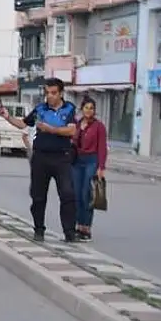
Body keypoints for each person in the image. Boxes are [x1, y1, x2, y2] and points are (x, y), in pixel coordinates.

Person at [0, 78, 77, 242]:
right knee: (38, 195)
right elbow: (22, 124)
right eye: (47, 93)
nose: (50, 96)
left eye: (53, 93)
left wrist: (51, 129)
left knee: (67, 194)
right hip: (41, 156)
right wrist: (7, 117)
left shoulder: (69, 108)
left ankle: (69, 232)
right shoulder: (40, 109)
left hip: (62, 156)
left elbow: (71, 131)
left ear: (61, 93)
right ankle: (39, 229)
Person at [71, 98, 107, 242]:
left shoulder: (99, 126)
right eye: (86, 107)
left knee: (87, 194)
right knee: (77, 195)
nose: (89, 110)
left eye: (91, 108)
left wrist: (101, 166)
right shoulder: (77, 125)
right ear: (82, 109)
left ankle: (86, 228)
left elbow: (102, 147)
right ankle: (78, 226)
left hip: (91, 161)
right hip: (77, 161)